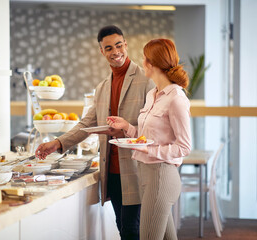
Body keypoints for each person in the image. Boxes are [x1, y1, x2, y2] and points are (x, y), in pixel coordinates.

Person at [35, 25, 155, 240]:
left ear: (126, 45)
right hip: (112, 170)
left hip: (138, 168)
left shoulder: (147, 81)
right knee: (122, 226)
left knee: (132, 228)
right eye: (109, 48)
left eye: (119, 45)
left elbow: (154, 127)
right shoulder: (102, 87)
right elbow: (86, 124)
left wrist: (127, 128)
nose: (115, 51)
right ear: (102, 52)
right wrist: (58, 143)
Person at [106, 38, 192, 240]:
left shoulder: (176, 99)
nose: (142, 62)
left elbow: (184, 147)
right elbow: (149, 137)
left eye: (144, 58)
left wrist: (150, 150)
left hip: (161, 176)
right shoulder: (153, 94)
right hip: (147, 175)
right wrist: (127, 127)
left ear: (151, 64)